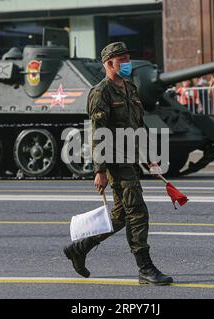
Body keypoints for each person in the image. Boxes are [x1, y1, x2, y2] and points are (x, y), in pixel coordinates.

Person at [63, 42, 173, 286]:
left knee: (120, 216)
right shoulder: (100, 92)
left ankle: (79, 248)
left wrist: (149, 157)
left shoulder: (130, 89)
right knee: (137, 212)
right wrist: (100, 170)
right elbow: (98, 132)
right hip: (115, 161)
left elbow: (138, 127)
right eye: (122, 60)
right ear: (109, 63)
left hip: (132, 157)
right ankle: (145, 268)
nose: (127, 64)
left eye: (127, 58)